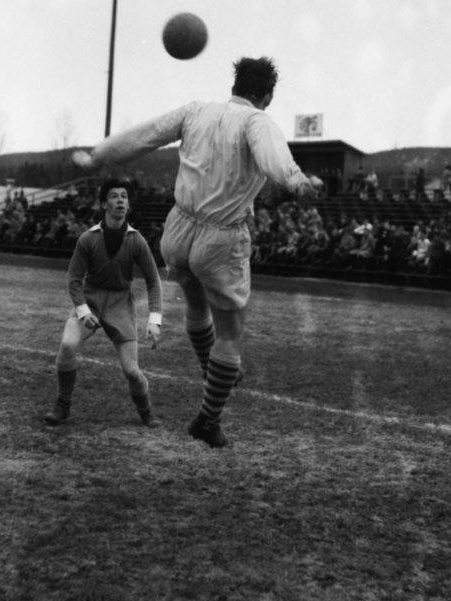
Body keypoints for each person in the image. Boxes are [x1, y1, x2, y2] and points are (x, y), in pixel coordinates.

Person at [71, 55, 322, 448]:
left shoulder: (196, 110)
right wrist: (298, 182)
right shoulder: (257, 121)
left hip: (177, 230)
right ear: (267, 95)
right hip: (221, 239)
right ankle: (208, 419)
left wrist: (99, 155)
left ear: (235, 86)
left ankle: (211, 370)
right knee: (231, 333)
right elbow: (275, 157)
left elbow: (145, 135)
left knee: (195, 304)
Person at [44, 178, 163, 427]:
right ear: (103, 204)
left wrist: (155, 320)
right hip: (91, 297)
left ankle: (146, 412)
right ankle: (62, 406)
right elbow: (74, 279)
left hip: (122, 303)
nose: (120, 200)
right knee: (66, 346)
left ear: (128, 205)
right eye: (114, 196)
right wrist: (83, 310)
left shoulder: (137, 240)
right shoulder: (88, 238)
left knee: (132, 371)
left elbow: (154, 281)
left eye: (124, 196)